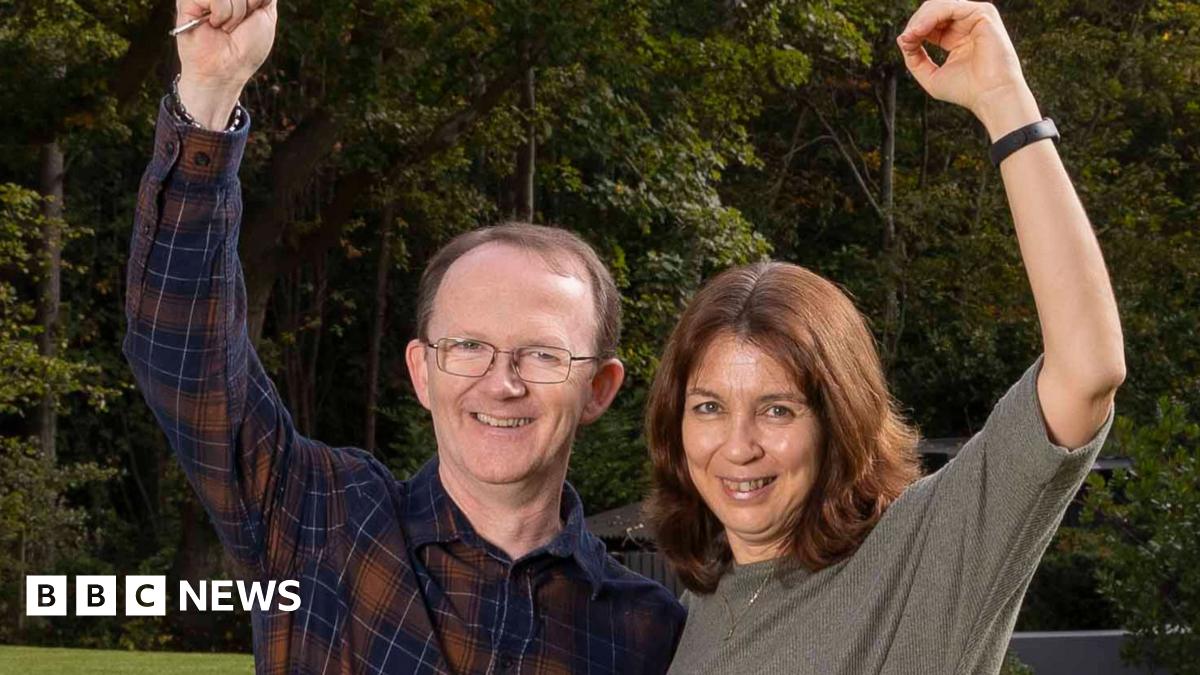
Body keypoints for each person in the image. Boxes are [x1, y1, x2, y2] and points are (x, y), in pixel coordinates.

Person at [122, 0, 684, 672]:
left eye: (540, 353)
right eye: (468, 346)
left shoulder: (650, 633)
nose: (500, 384)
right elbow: (181, 349)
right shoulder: (319, 518)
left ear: (599, 386)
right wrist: (211, 90)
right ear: (422, 370)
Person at [646, 2, 1125, 673]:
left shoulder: (921, 556)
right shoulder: (700, 602)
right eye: (708, 406)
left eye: (778, 408)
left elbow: (1087, 369)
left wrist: (1003, 101)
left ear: (837, 419)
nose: (738, 445)